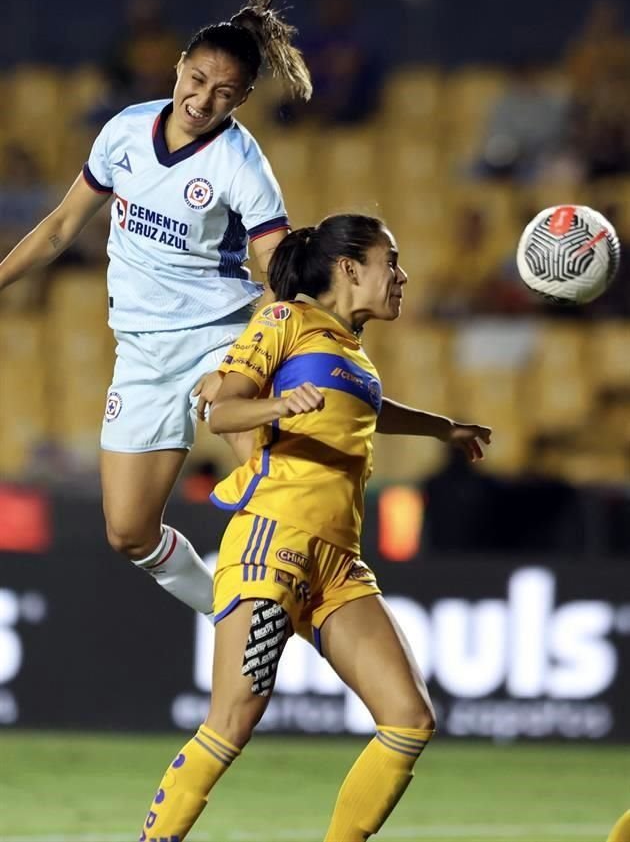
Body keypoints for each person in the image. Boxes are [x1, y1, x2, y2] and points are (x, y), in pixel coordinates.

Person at [138, 213, 492, 841]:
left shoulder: (350, 351)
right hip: (275, 540)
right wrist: (278, 405)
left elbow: (367, 410)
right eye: (392, 260)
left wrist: (443, 427)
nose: (402, 276)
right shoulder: (286, 321)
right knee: (231, 722)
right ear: (350, 268)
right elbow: (223, 410)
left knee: (409, 719)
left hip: (339, 563)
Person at [0, 0, 312, 619]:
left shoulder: (240, 165)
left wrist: (289, 320)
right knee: (128, 532)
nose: (202, 100)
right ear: (178, 64)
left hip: (221, 341)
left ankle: (305, 613)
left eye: (224, 93)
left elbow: (273, 261)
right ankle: (234, 614)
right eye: (196, 79)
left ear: (244, 98)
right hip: (142, 351)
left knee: (274, 492)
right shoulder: (124, 133)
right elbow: (61, 227)